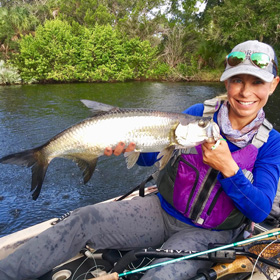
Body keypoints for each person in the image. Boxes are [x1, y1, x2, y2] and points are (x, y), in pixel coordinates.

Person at [1, 40, 280, 280]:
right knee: (81, 219)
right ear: (227, 82)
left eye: (257, 82)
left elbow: (258, 210)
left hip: (210, 235)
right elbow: (150, 157)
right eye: (237, 81)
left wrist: (229, 169)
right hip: (160, 212)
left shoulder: (272, 143)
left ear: (274, 85)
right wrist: (129, 146)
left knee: (159, 275)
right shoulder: (199, 114)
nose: (245, 92)